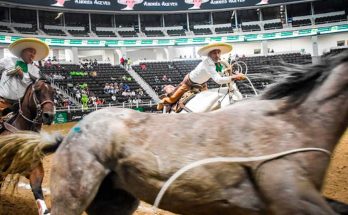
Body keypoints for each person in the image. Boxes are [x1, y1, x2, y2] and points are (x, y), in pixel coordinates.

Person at [157, 42, 245, 110]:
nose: (217, 55)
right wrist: (234, 77)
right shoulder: (207, 63)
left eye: (218, 52)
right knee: (173, 98)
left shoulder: (217, 63)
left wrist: (233, 75)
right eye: (214, 53)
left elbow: (221, 72)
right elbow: (218, 79)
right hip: (188, 83)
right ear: (209, 54)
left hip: (202, 84)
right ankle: (163, 101)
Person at [0, 38, 49, 116]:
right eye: (30, 51)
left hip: (21, 106)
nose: (33, 55)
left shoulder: (35, 69)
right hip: (3, 102)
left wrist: (21, 74)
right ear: (23, 51)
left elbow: (31, 84)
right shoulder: (8, 60)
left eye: (34, 53)